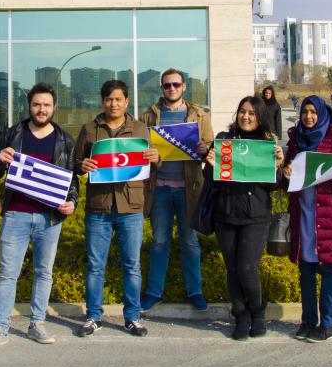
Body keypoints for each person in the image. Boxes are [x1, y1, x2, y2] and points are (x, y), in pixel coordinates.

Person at [0, 82, 79, 351]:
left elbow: (72, 180)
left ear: (54, 107)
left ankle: (37, 323)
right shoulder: (12, 134)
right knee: (7, 273)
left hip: (49, 219)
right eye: (37, 104)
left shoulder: (65, 140)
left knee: (44, 272)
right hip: (16, 215)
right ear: (29, 106)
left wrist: (72, 202)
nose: (41, 109)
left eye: (46, 104)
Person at [76, 79, 160, 338]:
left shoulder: (140, 129)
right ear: (103, 101)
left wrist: (156, 159)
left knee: (132, 264)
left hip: (131, 206)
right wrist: (83, 165)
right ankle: (93, 316)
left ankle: (132, 317)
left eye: (118, 99)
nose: (113, 103)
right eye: (109, 99)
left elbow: (149, 165)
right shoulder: (90, 129)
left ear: (127, 101)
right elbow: (76, 161)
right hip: (98, 206)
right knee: (95, 265)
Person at [203, 96, 283, 340]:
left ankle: (257, 312)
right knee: (232, 268)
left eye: (251, 113)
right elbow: (211, 179)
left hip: (256, 216)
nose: (246, 117)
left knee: (247, 268)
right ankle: (240, 315)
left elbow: (273, 187)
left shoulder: (267, 144)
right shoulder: (224, 140)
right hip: (225, 213)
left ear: (260, 117)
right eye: (242, 112)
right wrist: (209, 164)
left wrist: (277, 166)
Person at [281, 95, 332, 343]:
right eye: (305, 112)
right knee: (305, 271)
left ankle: (327, 323)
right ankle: (308, 320)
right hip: (302, 213)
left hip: (325, 214)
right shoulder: (295, 140)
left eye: (314, 112)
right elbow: (289, 182)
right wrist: (286, 174)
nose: (309, 117)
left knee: (328, 271)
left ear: (323, 114)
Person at [139, 69, 213, 313]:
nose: (171, 88)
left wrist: (205, 150)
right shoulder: (149, 116)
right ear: (162, 88)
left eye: (176, 84)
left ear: (184, 87)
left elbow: (211, 150)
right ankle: (153, 292)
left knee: (190, 243)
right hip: (158, 189)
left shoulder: (200, 116)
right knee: (159, 242)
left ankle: (196, 291)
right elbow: (140, 151)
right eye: (167, 85)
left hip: (189, 189)